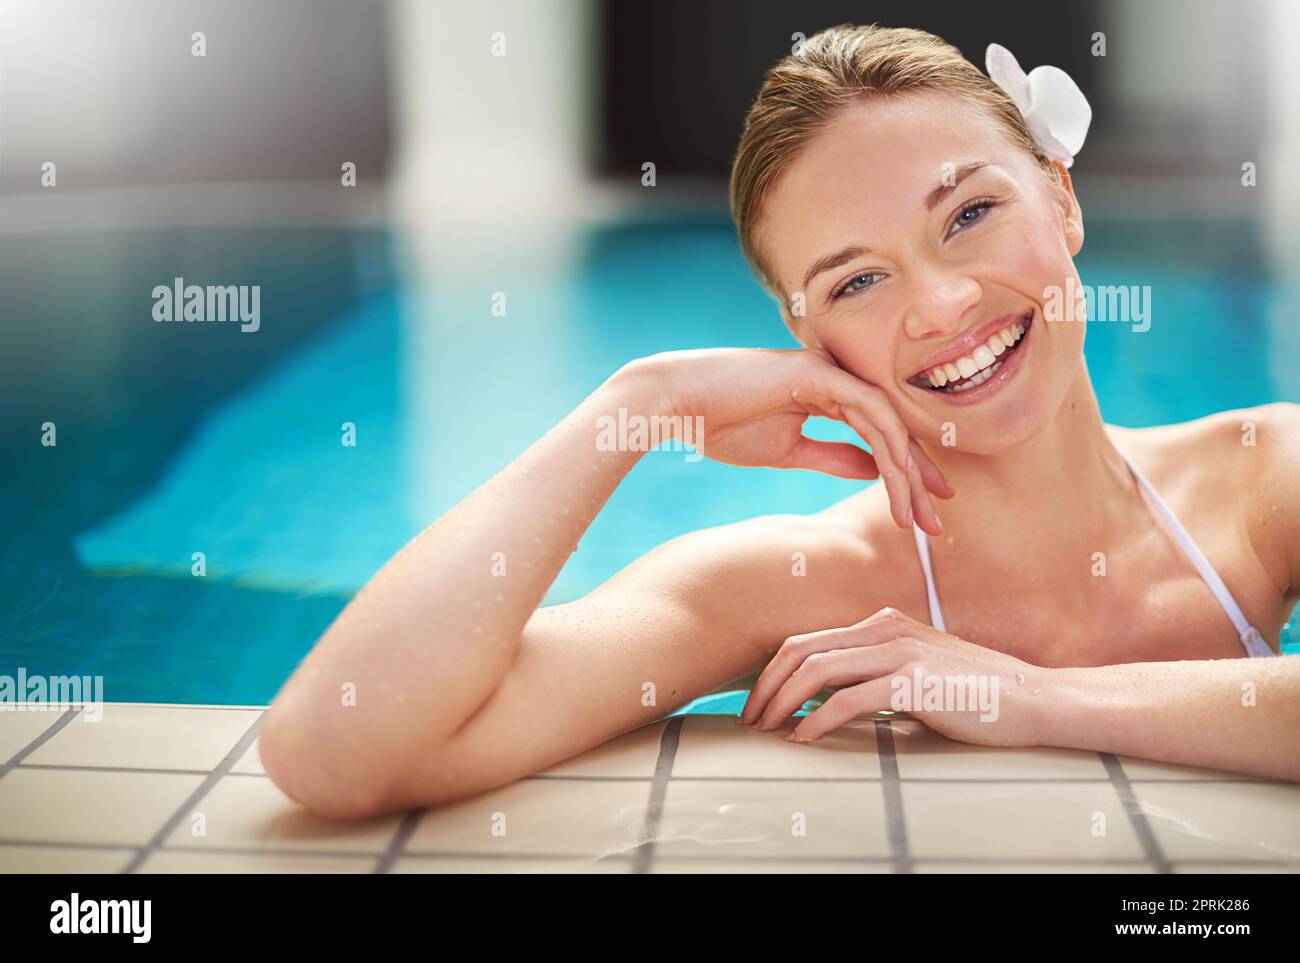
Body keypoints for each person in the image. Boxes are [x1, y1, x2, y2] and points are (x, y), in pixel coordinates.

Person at [258, 25, 1300, 819]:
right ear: (806, 338)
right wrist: (633, 408)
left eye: (969, 215)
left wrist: (1032, 703)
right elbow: (333, 749)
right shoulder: (797, 592)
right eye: (856, 282)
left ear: (1060, 199)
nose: (939, 308)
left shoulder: (1264, 480)